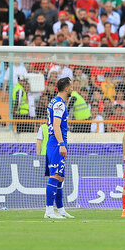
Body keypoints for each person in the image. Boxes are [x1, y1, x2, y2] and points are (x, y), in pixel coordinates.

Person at [44, 77, 74, 220]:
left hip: (56, 141)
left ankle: (61, 209)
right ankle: (49, 211)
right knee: (55, 175)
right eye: (71, 86)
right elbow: (56, 125)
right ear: (67, 88)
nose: (72, 88)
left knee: (60, 177)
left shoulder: (54, 102)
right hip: (56, 142)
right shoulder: (59, 104)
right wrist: (61, 144)